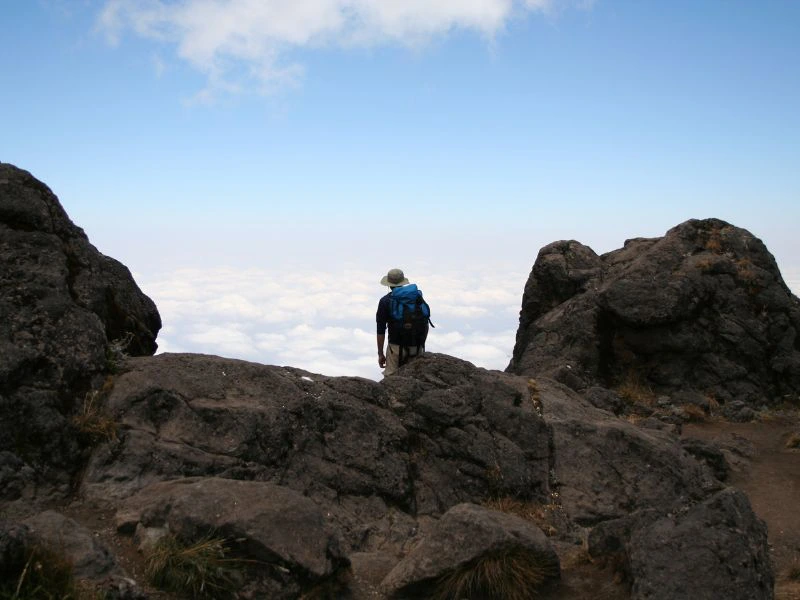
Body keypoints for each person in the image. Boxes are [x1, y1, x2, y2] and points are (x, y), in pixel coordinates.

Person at [376, 268, 429, 376]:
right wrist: (421, 344)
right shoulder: (417, 297)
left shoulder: (385, 301)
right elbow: (425, 321)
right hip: (417, 347)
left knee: (391, 380)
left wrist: (380, 354)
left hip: (395, 348)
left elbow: (380, 330)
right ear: (403, 282)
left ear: (389, 285)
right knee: (414, 379)